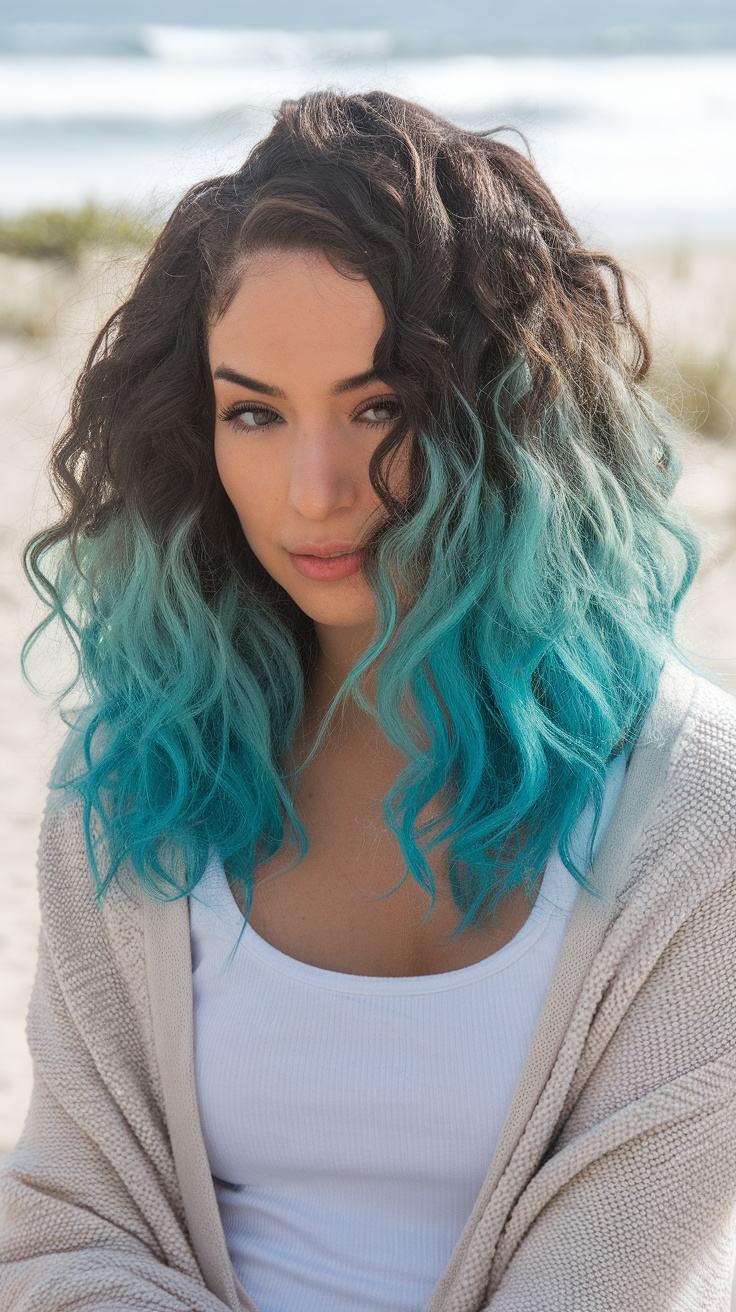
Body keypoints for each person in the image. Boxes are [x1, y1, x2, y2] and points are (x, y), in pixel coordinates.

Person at [0, 88, 735, 1312]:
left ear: (511, 421)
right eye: (254, 412)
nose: (314, 489)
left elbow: (617, 1277)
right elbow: (68, 1225)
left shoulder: (696, 821)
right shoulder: (134, 780)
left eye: (379, 405)